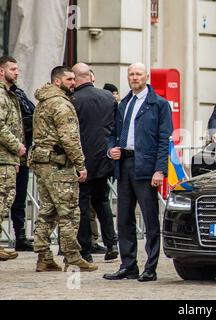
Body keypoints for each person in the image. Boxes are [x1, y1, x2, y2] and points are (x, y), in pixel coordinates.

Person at [103, 63, 173, 282]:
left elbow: (165, 140)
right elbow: (113, 133)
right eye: (131, 74)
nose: (134, 77)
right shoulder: (124, 103)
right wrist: (110, 148)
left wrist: (160, 169)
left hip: (147, 167)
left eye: (138, 74)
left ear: (147, 77)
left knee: (150, 219)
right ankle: (128, 265)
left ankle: (150, 268)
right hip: (124, 165)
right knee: (123, 219)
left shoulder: (159, 104)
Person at [30, 66, 97, 272]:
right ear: (58, 82)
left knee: (48, 210)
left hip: (42, 163)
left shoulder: (43, 102)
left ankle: (43, 255)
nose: (73, 83)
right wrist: (80, 164)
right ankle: (72, 256)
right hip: (59, 165)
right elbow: (70, 139)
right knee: (69, 212)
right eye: (69, 79)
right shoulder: (61, 104)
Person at [72, 63, 119, 263]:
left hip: (82, 160)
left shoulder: (72, 100)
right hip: (103, 158)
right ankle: (112, 243)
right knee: (102, 201)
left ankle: (85, 250)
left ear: (75, 78)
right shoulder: (108, 97)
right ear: (90, 77)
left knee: (82, 204)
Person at [0, 56, 35, 251]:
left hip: (12, 157)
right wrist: (17, 146)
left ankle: (19, 235)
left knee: (12, 199)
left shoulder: (15, 94)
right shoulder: (1, 95)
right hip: (6, 156)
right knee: (3, 200)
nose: (17, 72)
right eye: (13, 69)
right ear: (1, 71)